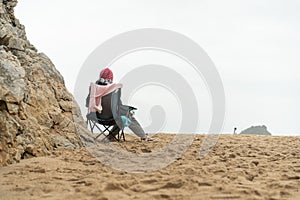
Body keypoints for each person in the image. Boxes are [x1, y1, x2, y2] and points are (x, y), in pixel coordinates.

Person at [86, 68, 152, 141]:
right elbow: (118, 106)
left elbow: (87, 104)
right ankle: (143, 136)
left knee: (122, 116)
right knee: (125, 115)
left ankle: (110, 136)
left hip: (95, 117)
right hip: (112, 118)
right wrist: (127, 110)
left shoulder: (94, 88)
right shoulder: (114, 89)